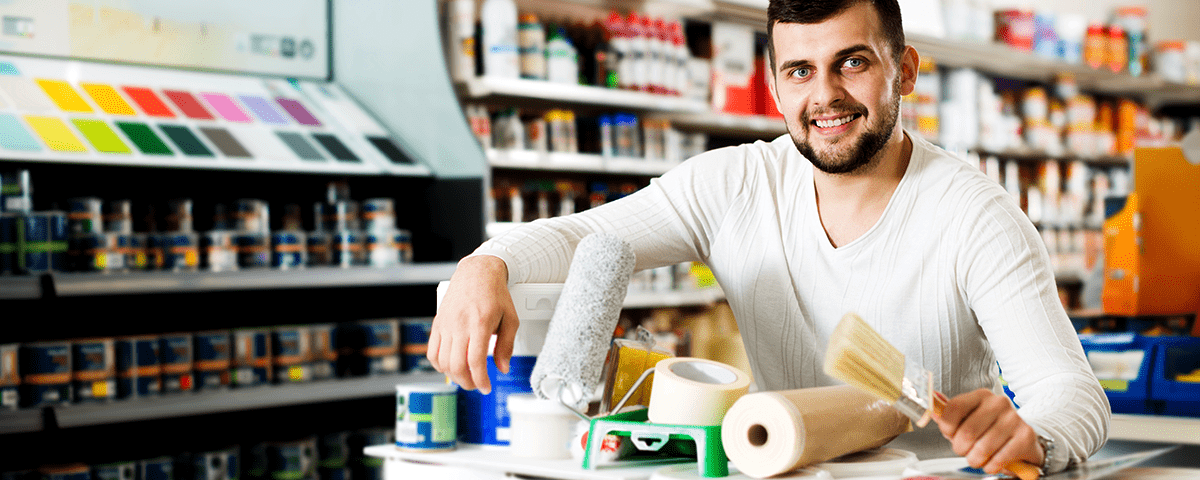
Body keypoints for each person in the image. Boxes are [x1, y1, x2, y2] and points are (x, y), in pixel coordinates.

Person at [430, 0, 1109, 475]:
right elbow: (583, 239)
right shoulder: (734, 185)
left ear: (903, 71)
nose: (826, 96)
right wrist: (486, 262)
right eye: (800, 70)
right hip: (779, 466)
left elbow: (1071, 394)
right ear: (776, 86)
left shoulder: (975, 215)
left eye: (853, 63)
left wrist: (1034, 437)